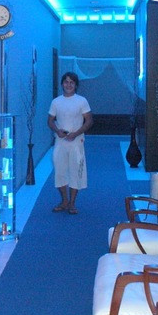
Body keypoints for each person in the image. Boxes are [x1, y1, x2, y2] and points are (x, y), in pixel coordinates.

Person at [47, 72, 93, 214]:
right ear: (62, 84)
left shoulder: (82, 101)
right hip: (60, 141)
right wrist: (57, 130)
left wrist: (76, 133)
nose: (68, 85)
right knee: (59, 171)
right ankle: (64, 201)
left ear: (76, 85)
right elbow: (50, 121)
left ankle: (72, 203)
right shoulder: (56, 102)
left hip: (76, 141)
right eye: (66, 82)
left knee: (76, 171)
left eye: (71, 82)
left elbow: (89, 121)